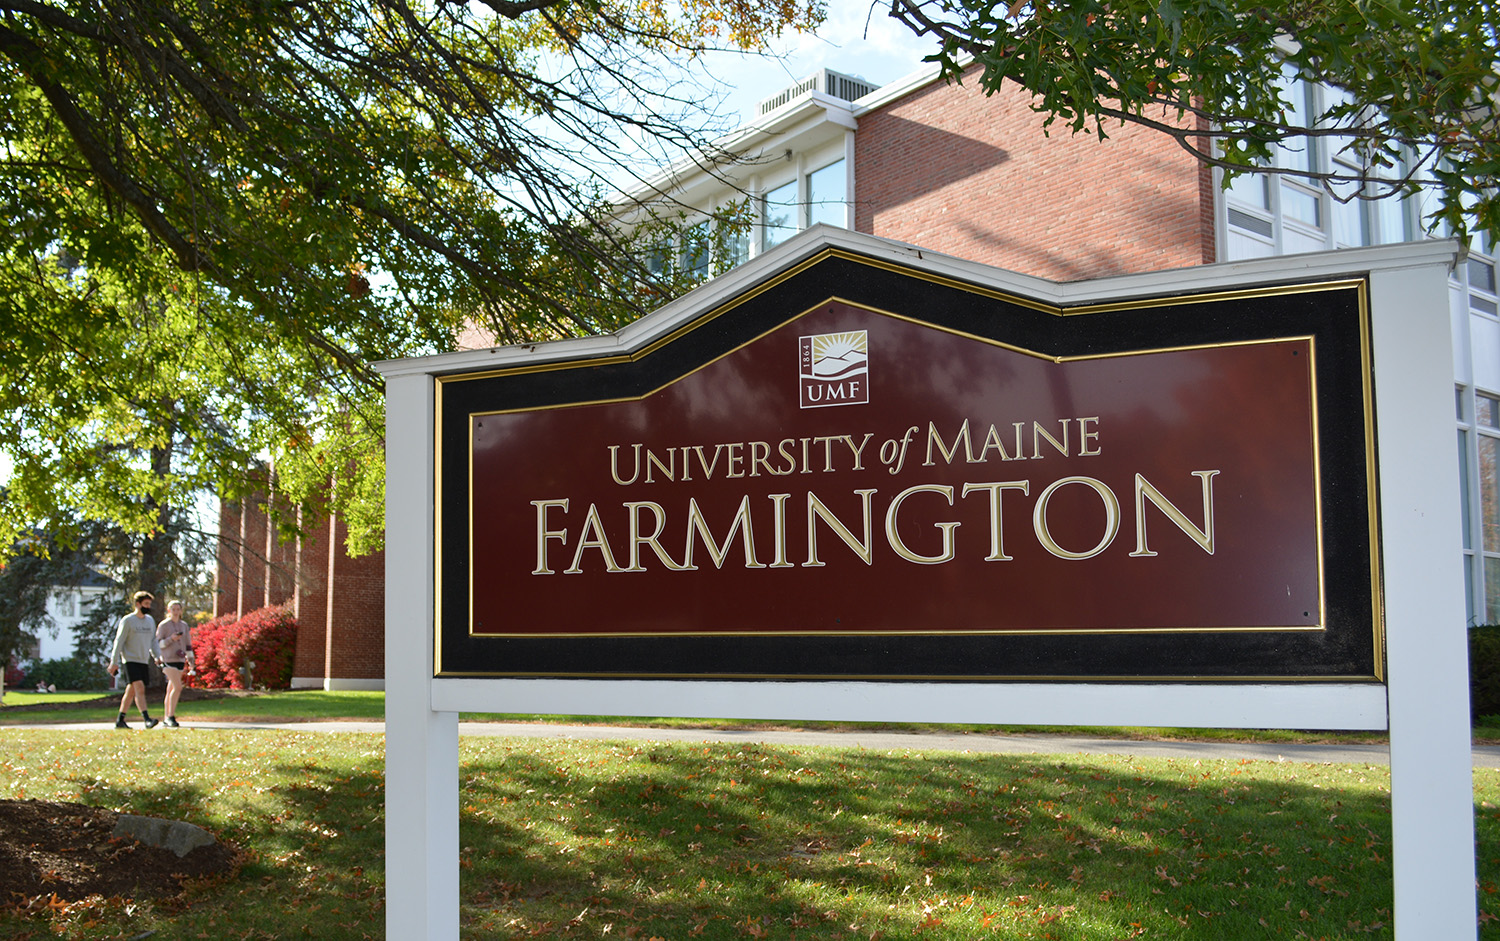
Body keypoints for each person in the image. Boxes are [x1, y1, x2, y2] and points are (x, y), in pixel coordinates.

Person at [107, 591, 161, 729]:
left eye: (149, 604)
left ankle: (120, 720)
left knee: (130, 691)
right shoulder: (128, 620)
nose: (148, 606)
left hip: (143, 660)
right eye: (146, 604)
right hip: (130, 660)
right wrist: (114, 662)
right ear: (138, 604)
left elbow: (153, 641)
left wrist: (157, 656)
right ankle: (147, 719)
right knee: (139, 688)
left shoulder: (150, 621)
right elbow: (119, 642)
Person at [155, 600, 194, 728]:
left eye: (178, 609)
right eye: (173, 609)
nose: (176, 612)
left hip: (180, 659)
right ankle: (171, 716)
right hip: (168, 659)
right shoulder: (164, 625)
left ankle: (166, 717)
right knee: (178, 687)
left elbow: (188, 644)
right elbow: (158, 644)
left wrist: (191, 660)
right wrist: (171, 639)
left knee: (171, 688)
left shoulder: (184, 625)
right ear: (169, 611)